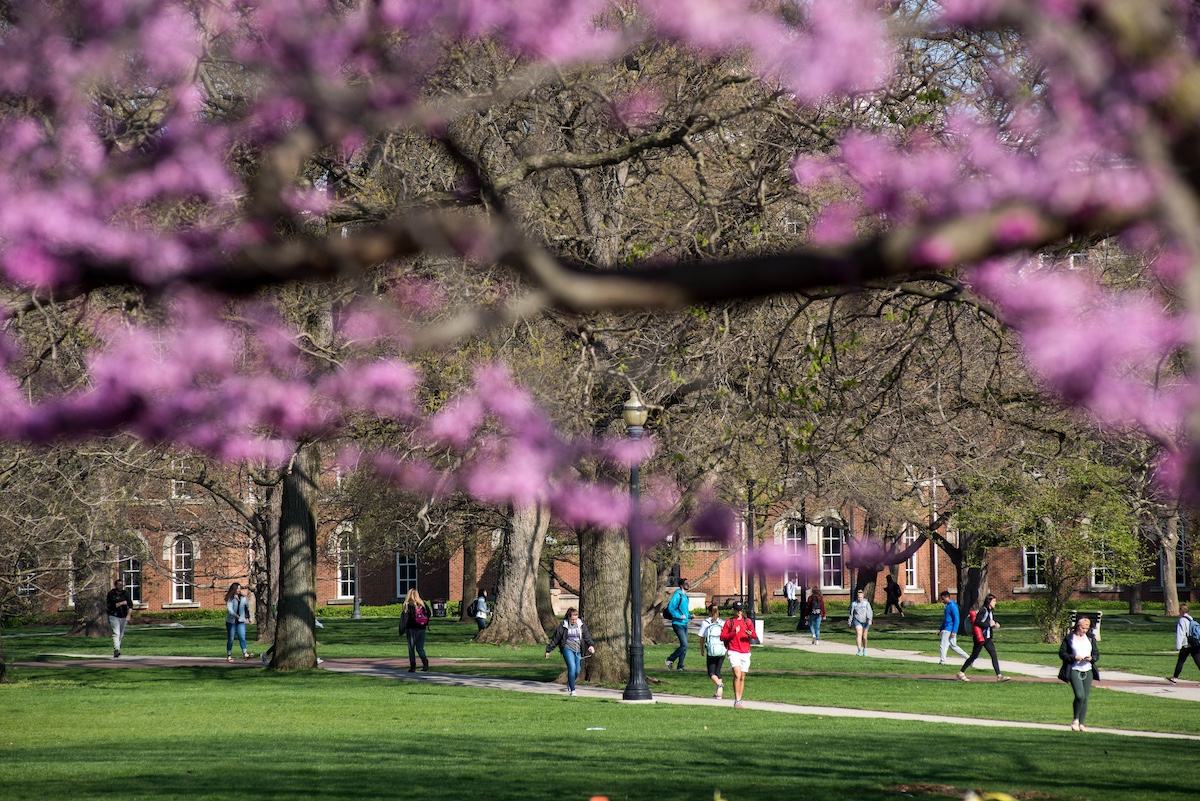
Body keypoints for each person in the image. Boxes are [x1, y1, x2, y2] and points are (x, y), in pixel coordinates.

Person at [1058, 615, 1100, 731]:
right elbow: (1062, 653)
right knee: (1079, 695)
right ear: (1077, 626)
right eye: (1082, 628)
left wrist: (1092, 658)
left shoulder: (1090, 638)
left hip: (1088, 669)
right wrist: (1073, 657)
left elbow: (1096, 654)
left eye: (1086, 629)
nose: (1084, 631)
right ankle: (1075, 719)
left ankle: (1081, 723)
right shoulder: (1069, 638)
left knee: (1085, 697)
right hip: (1074, 669)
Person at [958, 594, 1009, 682]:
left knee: (993, 655)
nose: (995, 603)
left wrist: (994, 624)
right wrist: (989, 624)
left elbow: (988, 622)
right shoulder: (983, 610)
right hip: (980, 638)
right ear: (989, 601)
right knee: (974, 655)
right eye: (994, 601)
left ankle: (999, 676)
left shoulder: (990, 611)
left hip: (987, 638)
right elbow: (977, 622)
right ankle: (961, 672)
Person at [544, 607, 595, 696]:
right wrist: (548, 650)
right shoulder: (563, 626)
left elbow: (587, 637)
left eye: (575, 619)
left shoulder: (581, 625)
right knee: (572, 667)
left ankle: (569, 682)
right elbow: (556, 639)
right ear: (568, 617)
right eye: (572, 619)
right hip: (567, 649)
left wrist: (591, 646)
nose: (574, 621)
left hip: (578, 650)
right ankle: (572, 690)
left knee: (577, 671)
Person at [720, 600, 756, 708]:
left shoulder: (747, 621)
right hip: (733, 650)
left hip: (745, 651)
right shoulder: (729, 622)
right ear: (733, 610)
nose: (739, 612)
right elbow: (722, 637)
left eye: (741, 610)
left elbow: (754, 635)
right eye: (737, 610)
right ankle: (736, 700)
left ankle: (740, 699)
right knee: (737, 674)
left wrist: (751, 634)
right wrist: (733, 633)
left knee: (742, 676)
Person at [698, 603, 726, 699]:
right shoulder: (722, 622)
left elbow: (702, 638)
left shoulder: (705, 623)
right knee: (718, 671)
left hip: (711, 650)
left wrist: (701, 650)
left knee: (711, 672)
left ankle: (719, 684)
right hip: (722, 650)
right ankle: (719, 694)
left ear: (709, 612)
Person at [400, 587, 431, 672]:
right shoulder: (422, 604)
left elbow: (404, 619)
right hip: (422, 628)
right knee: (420, 647)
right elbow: (429, 614)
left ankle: (413, 666)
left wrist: (401, 630)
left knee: (411, 648)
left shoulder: (407, 605)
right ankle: (425, 663)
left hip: (411, 629)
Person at [1168, 603, 1200, 683]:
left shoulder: (1181, 620)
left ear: (1181, 611)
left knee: (1181, 661)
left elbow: (1181, 634)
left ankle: (1174, 678)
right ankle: (1174, 678)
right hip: (1194, 643)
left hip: (1186, 644)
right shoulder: (1191, 619)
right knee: (1198, 661)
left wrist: (1178, 646)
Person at [664, 578, 692, 671]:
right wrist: (679, 616)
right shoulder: (677, 595)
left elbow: (685, 612)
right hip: (677, 623)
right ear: (681, 585)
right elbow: (671, 608)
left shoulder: (686, 597)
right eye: (686, 583)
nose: (688, 584)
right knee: (684, 645)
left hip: (684, 624)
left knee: (684, 646)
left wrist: (690, 616)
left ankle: (680, 666)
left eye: (688, 583)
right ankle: (669, 659)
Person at [936, 590, 969, 664]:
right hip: (946, 628)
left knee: (943, 645)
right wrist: (940, 629)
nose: (942, 601)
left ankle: (942, 661)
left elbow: (956, 619)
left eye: (942, 599)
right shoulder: (948, 606)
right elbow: (945, 619)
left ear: (946, 597)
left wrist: (954, 631)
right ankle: (968, 658)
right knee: (953, 646)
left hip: (949, 628)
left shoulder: (952, 606)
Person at [224, 582, 253, 662]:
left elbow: (247, 607)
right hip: (231, 621)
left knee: (242, 637)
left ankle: (245, 653)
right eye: (238, 588)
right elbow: (230, 609)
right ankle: (229, 655)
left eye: (240, 588)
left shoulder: (243, 597)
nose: (239, 590)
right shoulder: (230, 598)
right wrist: (235, 615)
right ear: (234, 589)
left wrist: (250, 618)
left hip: (241, 620)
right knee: (231, 638)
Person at [106, 578, 133, 658]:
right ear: (116, 585)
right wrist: (121, 603)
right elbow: (111, 606)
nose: (120, 586)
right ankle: (116, 649)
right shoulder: (111, 594)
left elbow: (130, 605)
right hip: (114, 615)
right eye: (119, 585)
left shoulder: (125, 594)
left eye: (121, 585)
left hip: (123, 616)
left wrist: (129, 615)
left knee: (121, 634)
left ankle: (118, 648)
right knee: (116, 633)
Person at [848, 588, 872, 655]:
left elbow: (869, 612)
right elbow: (851, 613)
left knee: (864, 637)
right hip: (857, 620)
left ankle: (864, 649)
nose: (860, 598)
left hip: (865, 621)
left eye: (861, 597)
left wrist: (869, 619)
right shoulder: (854, 604)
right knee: (859, 634)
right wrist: (849, 621)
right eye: (858, 597)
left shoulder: (866, 604)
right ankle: (859, 650)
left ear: (863, 597)